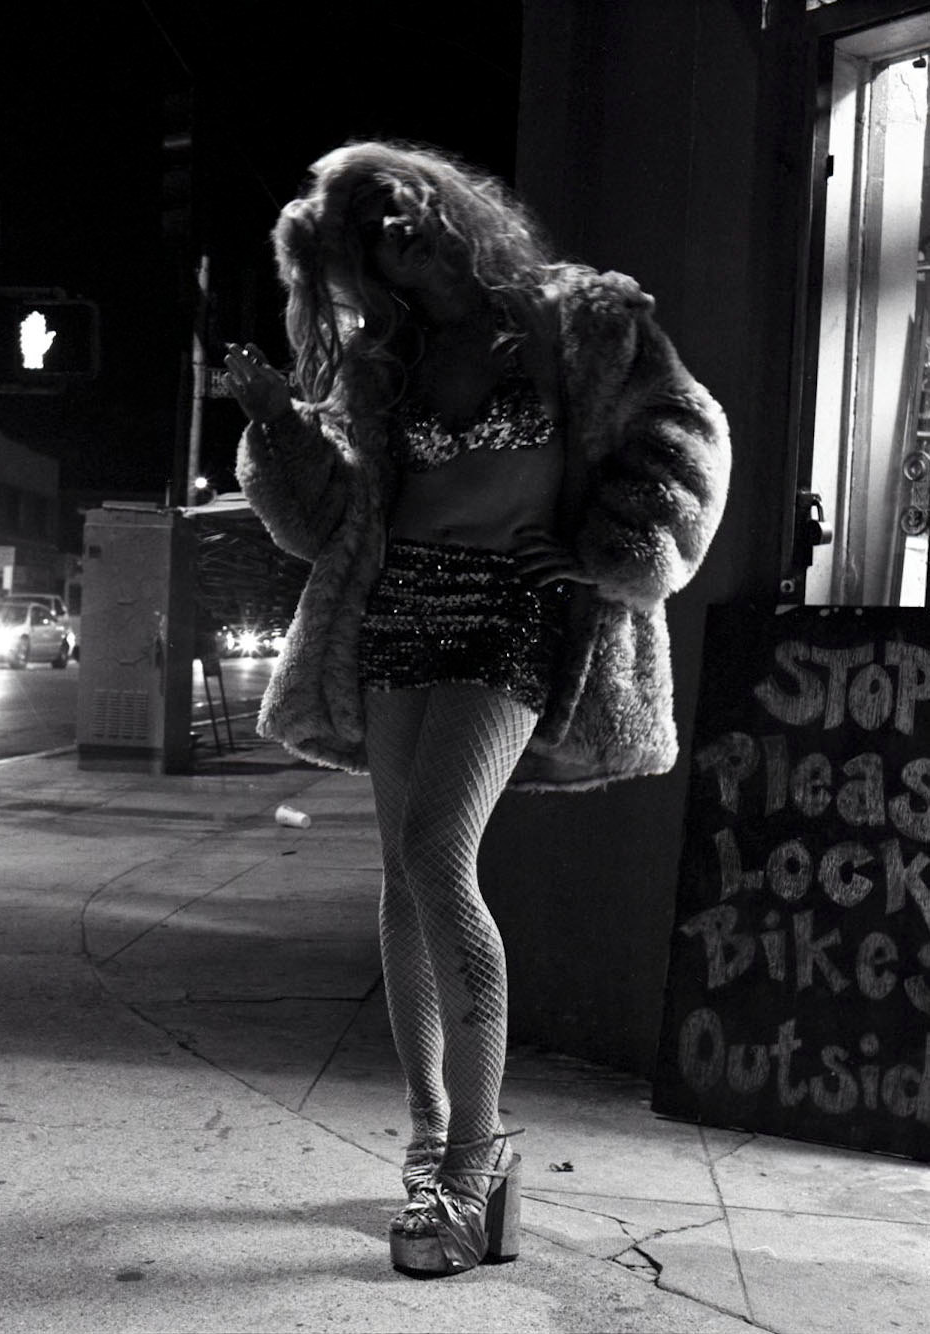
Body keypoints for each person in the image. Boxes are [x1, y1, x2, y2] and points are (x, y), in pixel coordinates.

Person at [224, 140, 731, 1277]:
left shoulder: (581, 321)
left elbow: (681, 431)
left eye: (402, 222)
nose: (396, 252)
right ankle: (421, 1136)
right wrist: (275, 419)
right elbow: (326, 522)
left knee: (437, 855)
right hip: (399, 605)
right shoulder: (387, 360)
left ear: (449, 210)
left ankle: (472, 1159)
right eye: (368, 247)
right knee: (400, 874)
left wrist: (616, 546)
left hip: (512, 611)